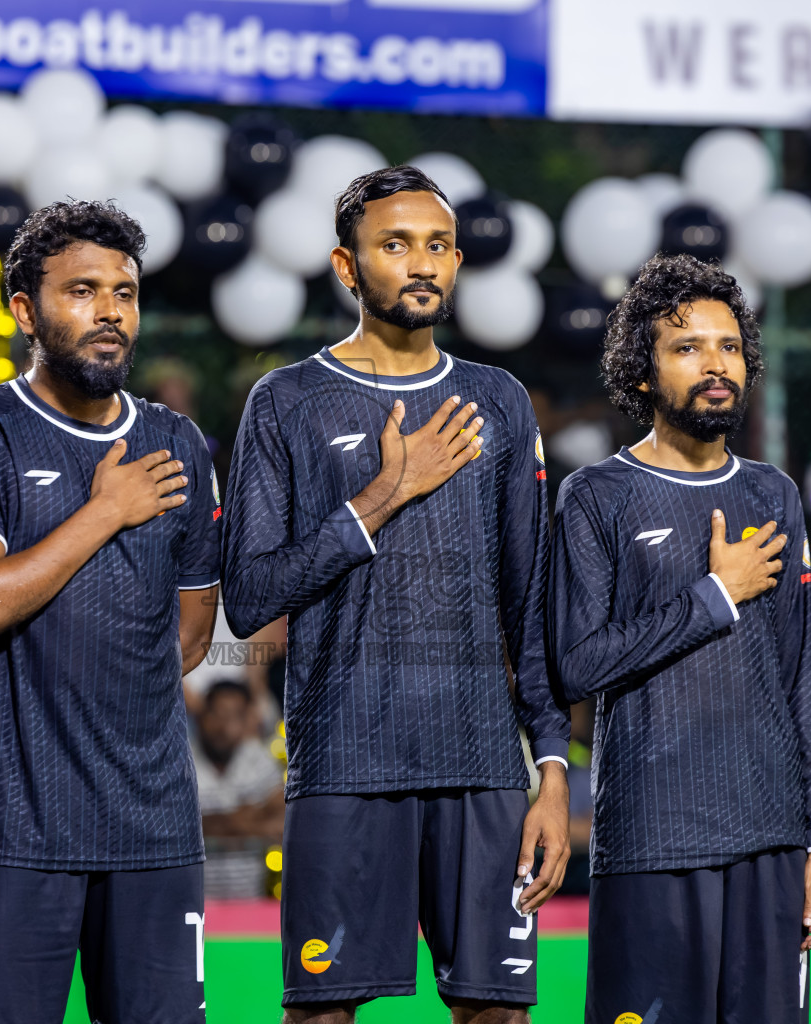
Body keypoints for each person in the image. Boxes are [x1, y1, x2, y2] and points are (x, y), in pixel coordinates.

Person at [220, 165, 570, 1024]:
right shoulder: (288, 400)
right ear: (348, 267)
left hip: (484, 771)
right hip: (344, 764)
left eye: (439, 246)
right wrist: (385, 492)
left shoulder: (497, 400)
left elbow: (533, 603)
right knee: (323, 1014)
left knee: (497, 1014)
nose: (423, 263)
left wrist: (553, 769)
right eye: (397, 245)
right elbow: (250, 594)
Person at [0, 200, 220, 1024]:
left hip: (154, 833)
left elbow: (190, 638)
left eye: (124, 292)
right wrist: (105, 511)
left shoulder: (179, 442)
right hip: (12, 832)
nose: (110, 312)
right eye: (83, 291)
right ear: (26, 309)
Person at [548, 253, 811, 1023]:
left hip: (771, 842)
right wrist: (715, 595)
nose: (715, 365)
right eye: (687, 348)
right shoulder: (596, 497)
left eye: (728, 347)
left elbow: (795, 682)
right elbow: (578, 665)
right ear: (642, 373)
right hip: (651, 841)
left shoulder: (771, 492)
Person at [194, 678, 285, 898]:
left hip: (250, 903)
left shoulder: (258, 760)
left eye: (235, 716)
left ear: (246, 720)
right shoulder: (181, 760)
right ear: (202, 716)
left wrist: (210, 823)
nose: (224, 726)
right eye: (217, 714)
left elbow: (283, 824)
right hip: (194, 903)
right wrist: (246, 818)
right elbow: (173, 827)